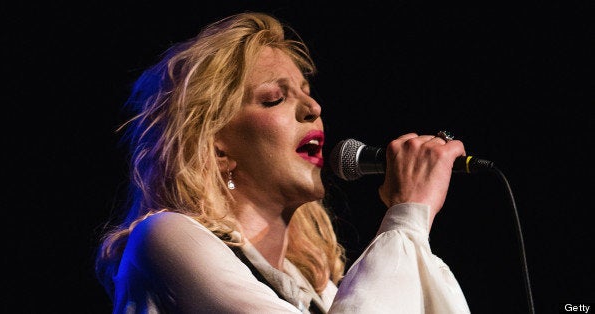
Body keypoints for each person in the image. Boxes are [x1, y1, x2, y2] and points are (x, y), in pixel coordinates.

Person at [95, 11, 471, 313]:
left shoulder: (320, 293)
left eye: (308, 94)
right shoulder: (164, 239)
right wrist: (407, 215)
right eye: (274, 98)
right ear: (217, 147)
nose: (313, 108)